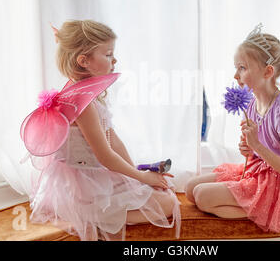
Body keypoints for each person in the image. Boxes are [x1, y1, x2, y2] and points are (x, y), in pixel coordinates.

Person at [21, 20, 180, 241]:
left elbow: (112, 140)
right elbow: (105, 156)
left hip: (92, 172)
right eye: (108, 54)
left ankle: (102, 212)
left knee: (162, 190)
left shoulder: (83, 92)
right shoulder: (82, 104)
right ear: (84, 61)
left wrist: (136, 176)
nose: (114, 60)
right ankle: (94, 216)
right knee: (168, 202)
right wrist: (141, 177)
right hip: (83, 183)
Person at [185, 23, 280, 233]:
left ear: (268, 72)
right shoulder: (252, 104)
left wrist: (257, 146)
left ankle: (268, 211)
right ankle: (258, 207)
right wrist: (248, 149)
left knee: (202, 197)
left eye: (242, 68)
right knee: (191, 189)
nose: (236, 75)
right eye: (236, 67)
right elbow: (254, 153)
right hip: (259, 171)